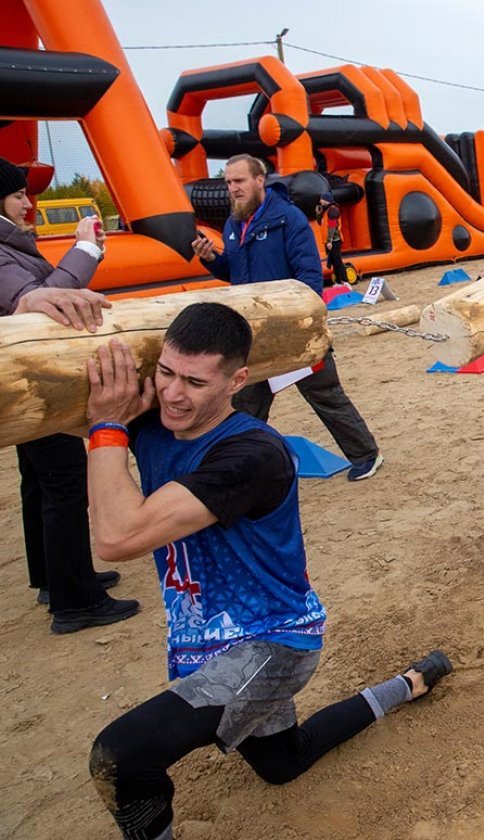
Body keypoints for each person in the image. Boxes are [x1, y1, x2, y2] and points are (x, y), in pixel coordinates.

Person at [82, 302, 452, 838]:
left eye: (194, 381)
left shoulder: (251, 453)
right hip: (206, 642)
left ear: (237, 381)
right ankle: (409, 684)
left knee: (119, 757)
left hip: (271, 644)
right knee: (283, 763)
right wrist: (39, 298)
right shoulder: (159, 420)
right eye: (164, 372)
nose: (173, 394)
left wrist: (109, 427)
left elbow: (116, 537)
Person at [0, 157, 139, 632]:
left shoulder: (10, 243)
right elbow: (43, 306)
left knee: (38, 481)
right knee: (64, 484)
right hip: (40, 382)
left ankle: (52, 576)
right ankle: (76, 600)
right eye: (18, 194)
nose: (27, 202)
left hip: (27, 383)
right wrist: (85, 250)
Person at [191, 154, 382, 482]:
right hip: (252, 333)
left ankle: (366, 455)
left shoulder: (288, 219)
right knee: (245, 405)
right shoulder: (233, 224)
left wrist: (302, 325)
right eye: (228, 182)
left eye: (239, 181)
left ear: (259, 181)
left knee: (326, 395)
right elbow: (234, 272)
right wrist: (212, 260)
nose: (232, 188)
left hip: (293, 330)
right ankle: (238, 469)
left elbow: (308, 275)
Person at [315, 191, 348, 287]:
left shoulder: (333, 210)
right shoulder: (326, 211)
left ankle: (345, 281)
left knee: (337, 261)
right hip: (330, 241)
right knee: (334, 261)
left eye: (322, 199)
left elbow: (332, 227)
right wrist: (318, 214)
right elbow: (321, 224)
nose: (320, 201)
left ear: (326, 200)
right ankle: (338, 282)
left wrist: (329, 241)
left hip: (334, 240)